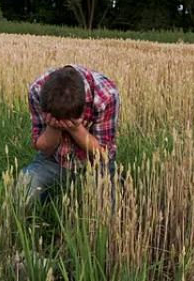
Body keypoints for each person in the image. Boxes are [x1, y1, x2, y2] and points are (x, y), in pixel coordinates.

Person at [18, 64, 120, 204]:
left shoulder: (106, 96)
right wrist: (53, 128)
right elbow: (42, 147)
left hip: (97, 163)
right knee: (21, 194)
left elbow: (103, 153)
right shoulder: (37, 91)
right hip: (53, 160)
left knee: (108, 208)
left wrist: (75, 129)